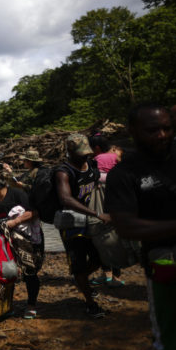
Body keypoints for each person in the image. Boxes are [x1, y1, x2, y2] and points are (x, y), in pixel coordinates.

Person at [105, 104, 176, 350]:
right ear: (132, 132)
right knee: (172, 345)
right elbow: (127, 227)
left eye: (167, 128)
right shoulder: (124, 175)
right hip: (166, 270)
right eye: (152, 130)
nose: (161, 135)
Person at [54, 133, 110, 318]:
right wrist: (96, 213)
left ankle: (81, 278)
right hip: (73, 225)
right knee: (78, 263)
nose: (85, 156)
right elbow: (65, 198)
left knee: (99, 259)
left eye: (86, 152)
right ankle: (90, 303)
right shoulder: (64, 171)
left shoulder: (91, 165)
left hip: (93, 222)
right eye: (81, 153)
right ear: (70, 151)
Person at [0, 174, 42, 319]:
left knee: (29, 271)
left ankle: (31, 304)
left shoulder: (18, 194)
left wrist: (15, 221)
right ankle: (7, 304)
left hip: (27, 240)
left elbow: (34, 211)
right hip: (6, 242)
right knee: (6, 271)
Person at [89, 134, 124, 287]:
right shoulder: (115, 157)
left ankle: (107, 274)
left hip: (99, 200)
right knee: (117, 236)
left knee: (101, 235)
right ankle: (116, 276)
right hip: (117, 198)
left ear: (96, 148)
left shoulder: (96, 160)